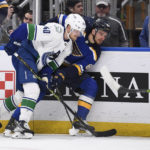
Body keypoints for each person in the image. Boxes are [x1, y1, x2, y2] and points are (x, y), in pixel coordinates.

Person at [2, 13, 86, 139]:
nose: (78, 34)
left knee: (20, 95)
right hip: (26, 52)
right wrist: (13, 42)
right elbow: (26, 29)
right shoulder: (55, 30)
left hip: (35, 63)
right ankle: (22, 123)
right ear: (68, 27)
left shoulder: (68, 48)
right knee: (33, 90)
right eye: (77, 31)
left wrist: (46, 75)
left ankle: (17, 124)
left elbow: (53, 64)